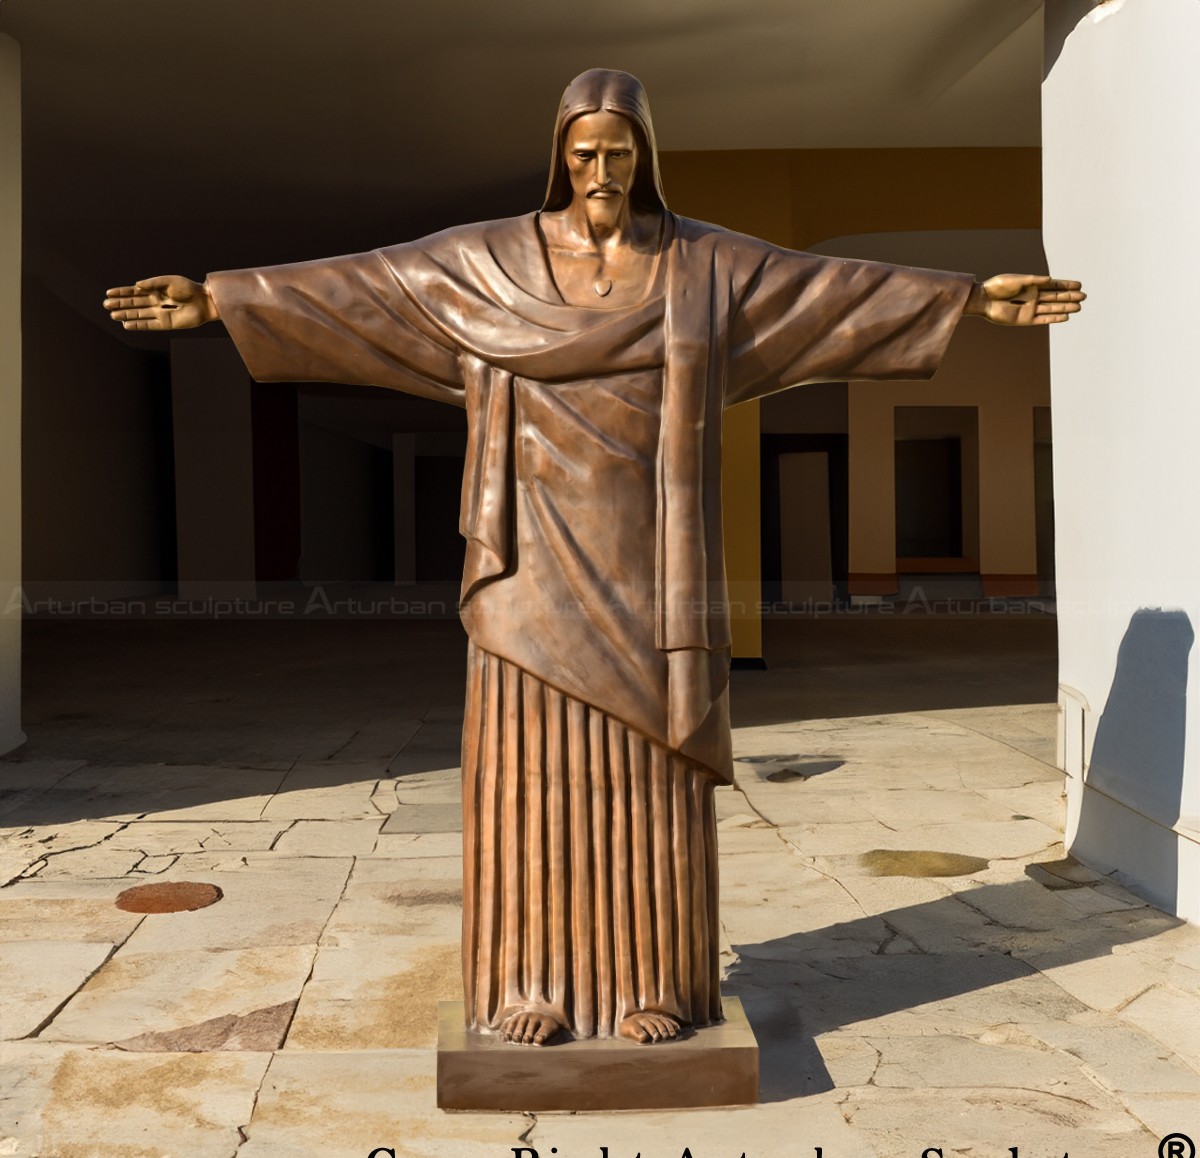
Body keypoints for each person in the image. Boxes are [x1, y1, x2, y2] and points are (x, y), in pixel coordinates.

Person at [104, 68, 1084, 1046]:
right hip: (528, 552)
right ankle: (531, 983)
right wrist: (219, 300)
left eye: (620, 152)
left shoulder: (704, 268)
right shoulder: (488, 265)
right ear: (559, 157)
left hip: (651, 561)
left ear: (646, 157)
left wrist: (970, 302)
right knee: (529, 772)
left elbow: (829, 293)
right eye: (585, 152)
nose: (602, 169)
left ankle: (649, 984)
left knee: (647, 776)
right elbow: (366, 289)